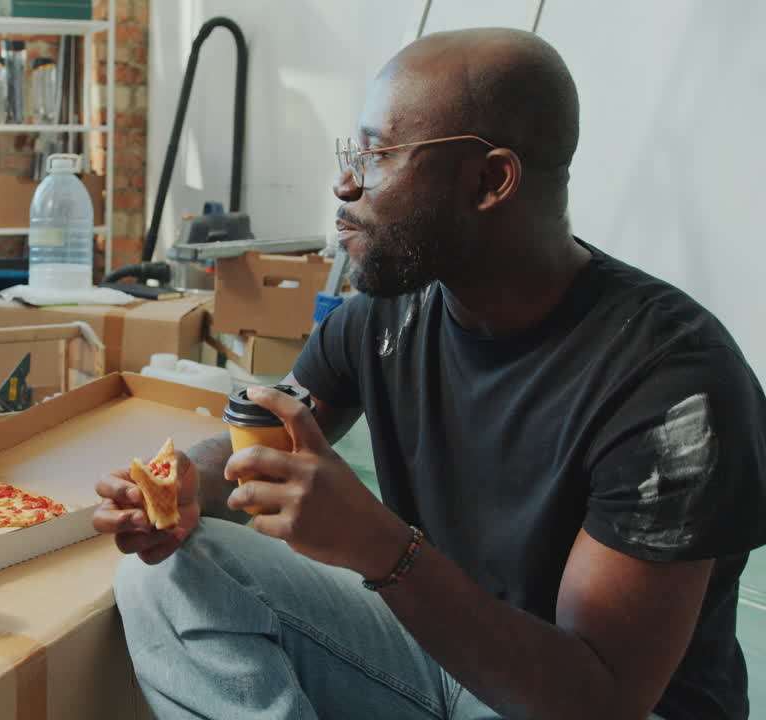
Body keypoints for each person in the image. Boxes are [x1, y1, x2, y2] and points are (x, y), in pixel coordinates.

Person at [94, 28, 766, 720]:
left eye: (378, 155)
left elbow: (597, 700)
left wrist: (385, 550)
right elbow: (268, 430)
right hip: (441, 651)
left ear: (490, 181)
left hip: (581, 699)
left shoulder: (673, 387)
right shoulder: (386, 319)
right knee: (172, 575)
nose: (346, 183)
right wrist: (189, 483)